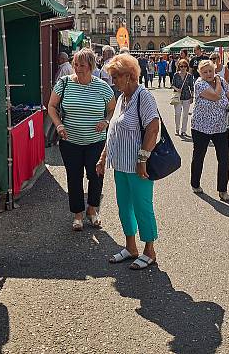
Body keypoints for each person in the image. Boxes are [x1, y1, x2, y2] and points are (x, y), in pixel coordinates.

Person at [97, 53, 160, 270]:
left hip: (137, 165)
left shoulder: (143, 96)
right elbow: (113, 131)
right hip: (120, 165)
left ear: (130, 76)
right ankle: (131, 247)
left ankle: (149, 250)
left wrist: (143, 158)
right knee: (124, 207)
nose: (113, 81)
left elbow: (153, 129)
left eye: (116, 76)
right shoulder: (123, 98)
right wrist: (103, 156)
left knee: (143, 207)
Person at [47, 48, 115, 231]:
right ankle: (77, 215)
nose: (77, 68)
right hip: (70, 142)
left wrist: (106, 121)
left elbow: (113, 110)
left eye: (82, 65)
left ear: (91, 66)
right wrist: (59, 125)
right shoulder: (64, 83)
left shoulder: (102, 86)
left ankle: (92, 210)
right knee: (74, 177)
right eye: (75, 64)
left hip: (96, 142)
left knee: (96, 176)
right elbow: (51, 106)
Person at [190, 60, 229, 201]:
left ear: (214, 70)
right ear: (200, 73)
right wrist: (219, 83)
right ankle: (195, 184)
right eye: (205, 72)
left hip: (220, 126)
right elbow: (216, 96)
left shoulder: (220, 79)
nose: (208, 74)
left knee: (224, 158)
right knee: (199, 156)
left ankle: (223, 190)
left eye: (210, 71)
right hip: (201, 126)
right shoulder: (199, 83)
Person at [171, 58, 194, 136]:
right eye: (181, 66)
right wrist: (177, 89)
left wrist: (192, 97)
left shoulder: (189, 76)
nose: (183, 68)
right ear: (179, 67)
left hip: (187, 96)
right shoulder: (176, 75)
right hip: (178, 96)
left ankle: (183, 130)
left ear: (187, 67)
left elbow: (192, 86)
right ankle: (177, 129)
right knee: (177, 113)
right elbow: (172, 85)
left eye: (184, 66)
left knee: (185, 115)